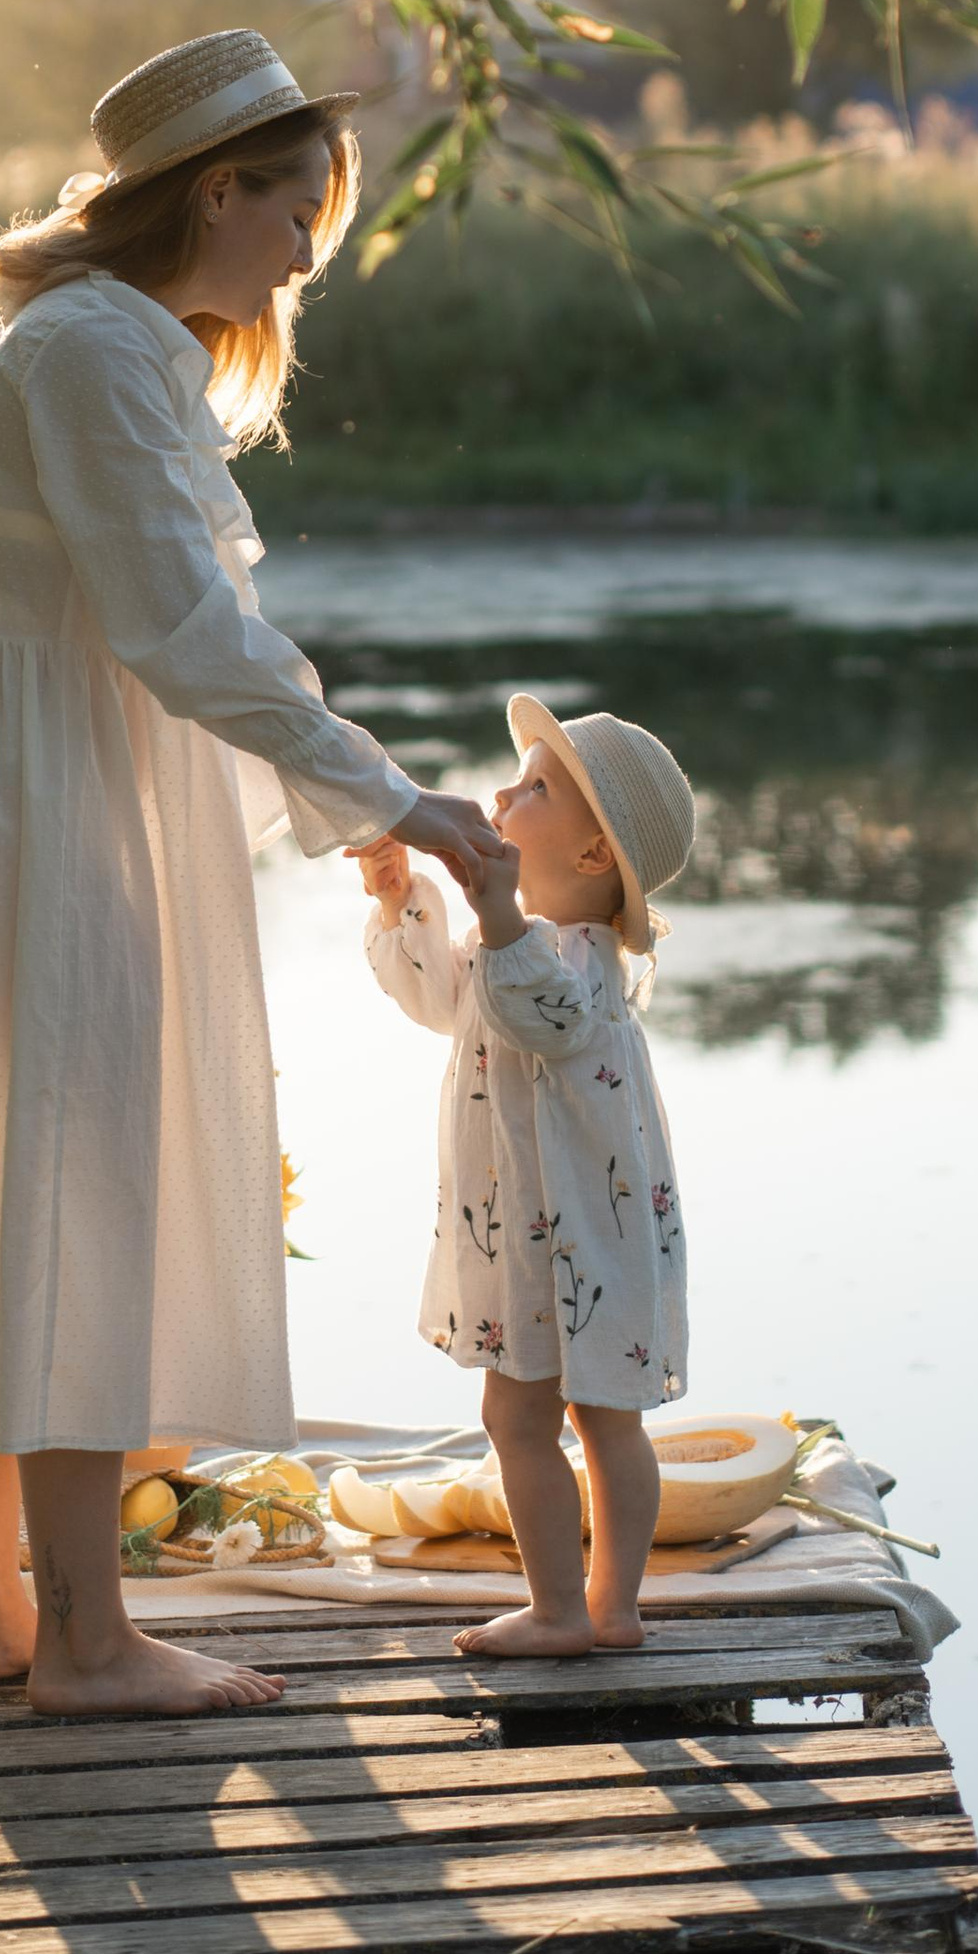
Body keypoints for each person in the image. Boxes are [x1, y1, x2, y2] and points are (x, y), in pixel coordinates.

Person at [0, 28, 499, 1721]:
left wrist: (347, 802)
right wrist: (393, 794)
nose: (310, 250)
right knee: (81, 1180)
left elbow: (179, 630)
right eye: (299, 207)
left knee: (26, 1174)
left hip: (24, 777)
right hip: (39, 798)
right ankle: (90, 1645)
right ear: (217, 190)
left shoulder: (102, 339)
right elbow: (182, 630)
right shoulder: (97, 349)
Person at [356, 693, 697, 1658]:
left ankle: (580, 1611)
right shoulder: (508, 944)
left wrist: (500, 912)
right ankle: (591, 1608)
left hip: (583, 1230)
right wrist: (400, 898)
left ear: (592, 856)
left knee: (574, 1417)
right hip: (531, 1229)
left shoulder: (577, 956)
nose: (504, 796)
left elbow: (546, 1018)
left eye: (537, 787)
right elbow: (439, 1001)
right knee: (546, 1416)